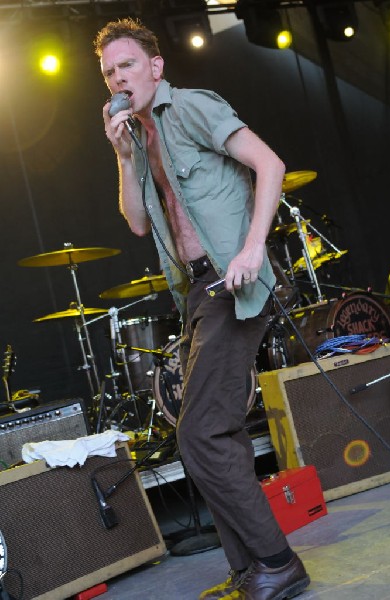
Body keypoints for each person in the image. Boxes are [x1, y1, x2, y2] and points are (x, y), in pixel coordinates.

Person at [94, 17, 310, 600]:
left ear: (156, 67)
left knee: (199, 434)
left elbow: (270, 165)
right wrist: (121, 156)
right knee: (220, 433)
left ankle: (277, 560)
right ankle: (251, 570)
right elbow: (139, 223)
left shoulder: (189, 108)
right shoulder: (137, 138)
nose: (118, 77)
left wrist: (251, 248)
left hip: (234, 281)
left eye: (128, 65)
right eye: (109, 71)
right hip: (196, 291)